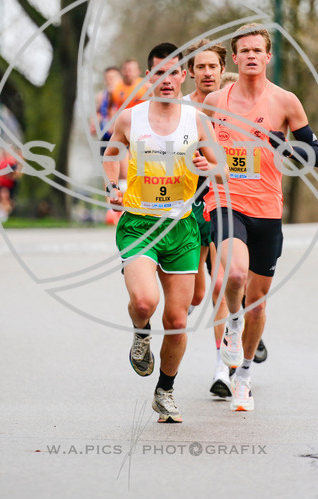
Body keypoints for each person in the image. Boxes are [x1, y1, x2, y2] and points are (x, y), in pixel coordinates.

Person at [203, 24, 318, 412]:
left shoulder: (285, 102)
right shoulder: (215, 102)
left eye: (258, 50)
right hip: (225, 202)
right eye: (245, 51)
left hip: (267, 210)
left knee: (257, 304)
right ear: (235, 59)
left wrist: (284, 149)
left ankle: (244, 376)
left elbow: (316, 154)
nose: (252, 56)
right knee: (235, 274)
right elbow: (194, 147)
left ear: (268, 57)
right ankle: (232, 327)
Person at [103, 42, 225, 423]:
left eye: (173, 72)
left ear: (183, 75)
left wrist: (208, 165)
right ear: (148, 77)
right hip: (139, 224)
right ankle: (141, 332)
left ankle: (165, 391)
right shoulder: (131, 118)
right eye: (159, 73)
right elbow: (111, 153)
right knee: (144, 302)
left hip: (182, 228)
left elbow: (221, 167)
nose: (167, 80)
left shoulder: (196, 120)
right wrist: (112, 187)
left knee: (176, 321)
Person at [181, 40, 234, 397]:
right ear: (190, 72)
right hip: (187, 205)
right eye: (200, 67)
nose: (207, 73)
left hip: (226, 200)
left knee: (221, 287)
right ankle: (240, 324)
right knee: (196, 294)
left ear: (222, 69)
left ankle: (222, 369)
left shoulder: (233, 106)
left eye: (213, 66)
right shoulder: (180, 108)